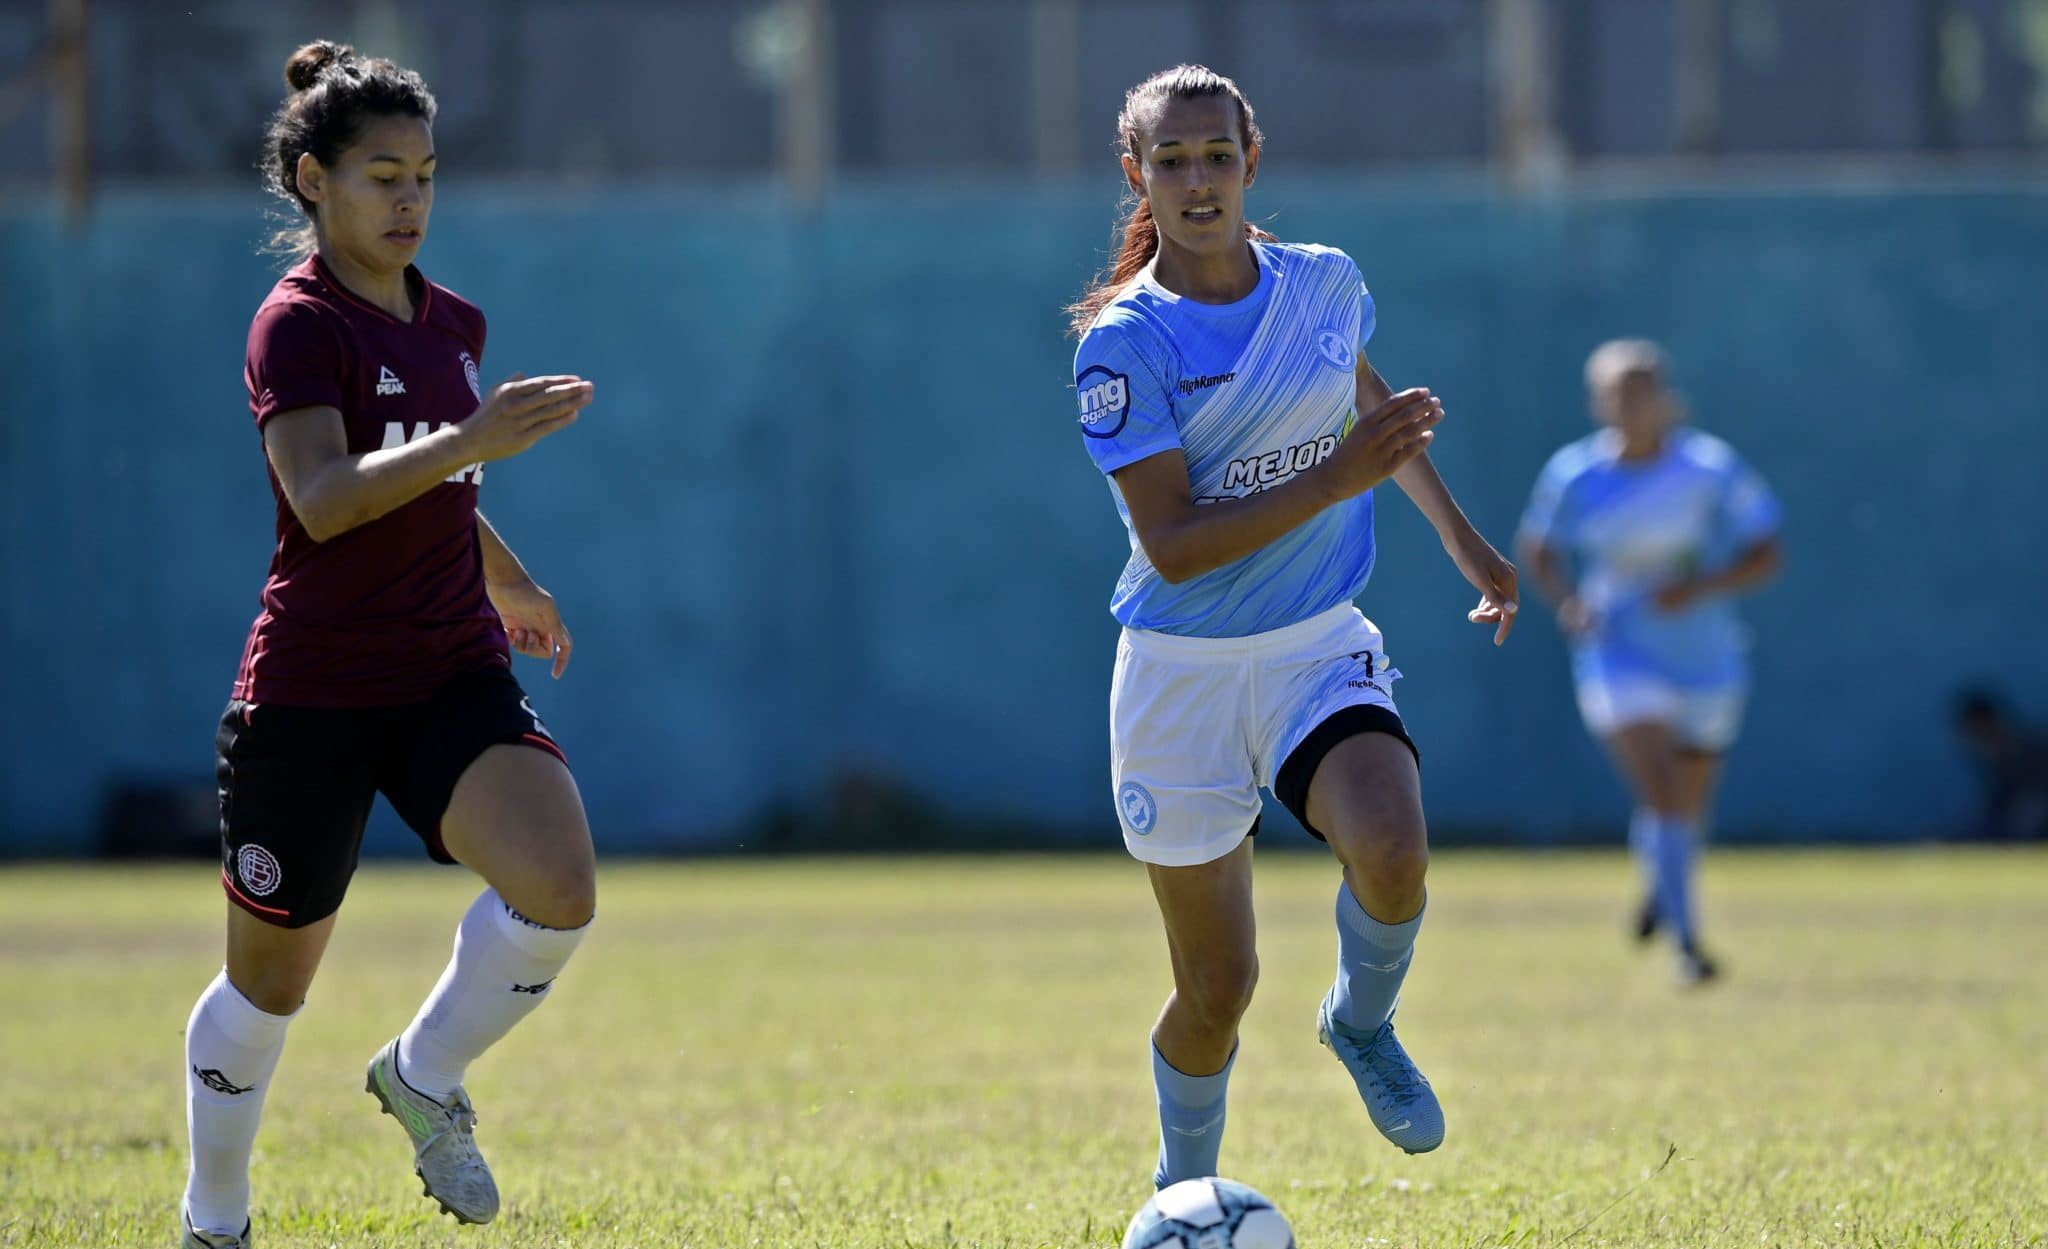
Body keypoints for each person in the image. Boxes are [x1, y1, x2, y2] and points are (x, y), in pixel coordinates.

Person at [1067, 65, 1520, 1187]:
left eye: (1215, 155)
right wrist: (1330, 481)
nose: (1196, 180)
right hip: (1178, 675)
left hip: (1314, 642)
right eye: (1168, 161)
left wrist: (1465, 542)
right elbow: (1172, 542)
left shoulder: (1323, 283)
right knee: (1216, 990)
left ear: (1249, 161)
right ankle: (1184, 1195)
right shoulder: (1124, 345)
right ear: (1137, 177)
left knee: (1394, 850)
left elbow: (1358, 403)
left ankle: (1360, 1022)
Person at [180, 42, 598, 1247]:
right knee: (269, 991)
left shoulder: (450, 321)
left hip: (446, 668)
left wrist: (509, 576)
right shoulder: (295, 326)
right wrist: (473, 432)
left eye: (423, 175)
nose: (408, 200)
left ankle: (422, 1075)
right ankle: (214, 1218)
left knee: (559, 887)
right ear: (313, 182)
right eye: (379, 176)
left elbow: (440, 482)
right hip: (312, 691)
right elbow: (322, 495)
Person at [1516, 339, 1781, 986]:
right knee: (1661, 790)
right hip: (1617, 651)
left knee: (1685, 803)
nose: (1631, 402)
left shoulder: (1709, 466)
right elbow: (1538, 546)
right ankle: (1690, 947)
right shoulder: (1575, 472)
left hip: (1706, 656)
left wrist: (1699, 588)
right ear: (1598, 401)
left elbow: (1766, 549)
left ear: (1664, 397)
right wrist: (1570, 603)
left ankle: (1661, 886)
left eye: (1642, 388)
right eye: (1617, 390)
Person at [1952, 688, 2048, 841]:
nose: (1977, 742)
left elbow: (2030, 813)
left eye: (1979, 731)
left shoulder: (2037, 755)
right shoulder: (1997, 766)